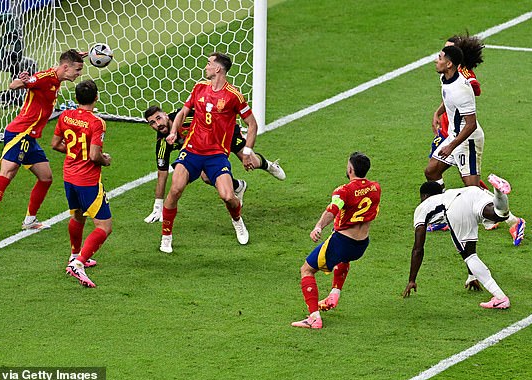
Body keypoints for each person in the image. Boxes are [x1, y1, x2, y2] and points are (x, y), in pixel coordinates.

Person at [0, 49, 85, 244]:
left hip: (31, 137)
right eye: (77, 70)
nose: (79, 74)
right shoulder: (44, 78)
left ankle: (29, 220)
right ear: (65, 67)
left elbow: (59, 67)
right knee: (8, 172)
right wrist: (24, 81)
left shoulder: (57, 76)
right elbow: (15, 85)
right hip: (20, 132)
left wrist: (76, 56)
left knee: (46, 178)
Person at [425, 39, 525, 245]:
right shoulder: (446, 78)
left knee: (473, 191)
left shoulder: (462, 87)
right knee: (432, 171)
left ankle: (514, 221)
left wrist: (451, 146)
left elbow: (470, 124)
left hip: (467, 140)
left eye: (440, 57)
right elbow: (448, 97)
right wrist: (437, 112)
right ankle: (442, 216)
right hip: (454, 136)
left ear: (450, 63)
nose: (436, 60)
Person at [159, 52, 257, 253]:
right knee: (176, 189)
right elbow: (184, 112)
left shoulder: (234, 96)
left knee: (228, 196)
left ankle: (237, 220)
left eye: (209, 63)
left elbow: (252, 124)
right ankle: (166, 236)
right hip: (192, 150)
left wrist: (247, 152)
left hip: (216, 155)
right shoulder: (199, 87)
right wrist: (174, 131)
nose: (206, 67)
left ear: (218, 68)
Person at [143, 105, 286, 223]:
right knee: (206, 176)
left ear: (166, 115)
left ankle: (268, 165)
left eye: (158, 118)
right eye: (152, 123)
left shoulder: (186, 118)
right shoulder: (162, 143)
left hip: (224, 132)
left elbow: (214, 118)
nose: (158, 124)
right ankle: (238, 186)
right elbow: (162, 174)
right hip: (207, 149)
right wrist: (158, 206)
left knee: (252, 162)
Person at [291, 152, 381, 329]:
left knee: (307, 270)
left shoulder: (344, 191)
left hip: (342, 242)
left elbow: (333, 209)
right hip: (361, 244)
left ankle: (314, 318)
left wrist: (318, 226)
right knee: (343, 259)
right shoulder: (376, 188)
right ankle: (334, 293)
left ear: (350, 169)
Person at [402, 174, 515, 309]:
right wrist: (472, 275)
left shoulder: (423, 206)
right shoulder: (448, 193)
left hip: (456, 206)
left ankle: (500, 297)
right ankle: (498, 192)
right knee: (499, 214)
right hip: (472, 191)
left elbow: (418, 248)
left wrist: (412, 280)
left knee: (469, 255)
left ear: (424, 196)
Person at [51, 79, 112, 288]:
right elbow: (95, 156)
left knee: (78, 215)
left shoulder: (65, 116)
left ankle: (74, 255)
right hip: (88, 181)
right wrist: (106, 160)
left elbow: (55, 144)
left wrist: (74, 153)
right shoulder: (97, 122)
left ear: (76, 98)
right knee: (104, 227)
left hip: (69, 176)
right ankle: (78, 263)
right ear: (96, 97)